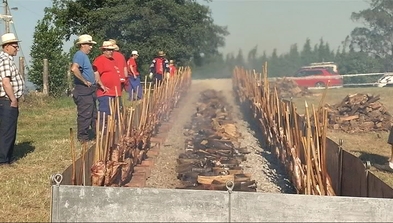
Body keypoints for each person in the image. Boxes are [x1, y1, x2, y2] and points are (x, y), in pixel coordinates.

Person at [70, 34, 105, 143]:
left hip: (89, 90)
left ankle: (96, 135)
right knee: (85, 114)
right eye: (89, 44)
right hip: (83, 90)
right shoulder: (79, 55)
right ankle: (83, 138)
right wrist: (85, 81)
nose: (91, 47)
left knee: (93, 113)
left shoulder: (84, 56)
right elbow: (74, 69)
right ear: (82, 45)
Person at [0, 33, 24, 165]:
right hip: (6, 100)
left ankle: (7, 156)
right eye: (15, 46)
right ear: (7, 46)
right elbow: (5, 82)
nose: (17, 48)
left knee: (9, 129)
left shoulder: (7, 59)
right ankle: (3, 159)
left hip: (6, 100)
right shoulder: (5, 60)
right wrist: (13, 99)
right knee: (7, 130)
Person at [93, 41, 120, 117]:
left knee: (114, 116)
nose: (111, 52)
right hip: (105, 94)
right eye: (108, 50)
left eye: (112, 50)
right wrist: (101, 85)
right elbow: (95, 72)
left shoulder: (113, 60)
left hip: (114, 93)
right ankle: (102, 128)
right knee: (105, 115)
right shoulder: (100, 60)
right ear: (103, 50)